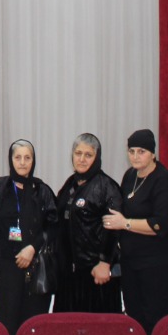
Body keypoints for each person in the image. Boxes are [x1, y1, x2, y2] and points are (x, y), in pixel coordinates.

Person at [104, 129, 168, 332]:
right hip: (131, 262)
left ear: (153, 154)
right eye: (132, 151)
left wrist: (125, 223)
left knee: (154, 316)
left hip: (156, 263)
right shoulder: (130, 176)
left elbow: (160, 225)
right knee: (134, 317)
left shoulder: (163, 180)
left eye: (141, 151)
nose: (135, 156)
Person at [0, 139, 58, 335]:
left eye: (27, 158)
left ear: (33, 161)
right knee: (6, 324)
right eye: (18, 157)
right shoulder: (0, 187)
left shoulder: (42, 190)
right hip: (6, 269)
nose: (23, 162)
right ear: (11, 160)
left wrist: (33, 247)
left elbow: (53, 226)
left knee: (32, 327)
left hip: (34, 266)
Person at [55, 133, 120, 313]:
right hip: (69, 275)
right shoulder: (70, 184)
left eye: (88, 155)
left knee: (97, 328)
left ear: (97, 158)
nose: (82, 159)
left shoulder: (107, 187)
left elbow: (114, 230)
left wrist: (105, 263)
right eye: (78, 153)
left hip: (96, 274)